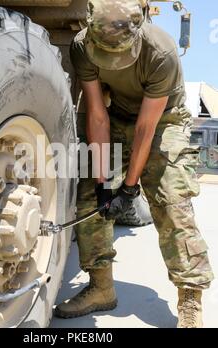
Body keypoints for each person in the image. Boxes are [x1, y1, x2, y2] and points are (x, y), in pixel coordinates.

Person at [54, 0, 214, 328]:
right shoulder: (83, 46)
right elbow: (97, 114)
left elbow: (146, 129)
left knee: (171, 198)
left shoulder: (161, 52)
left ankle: (189, 297)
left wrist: (129, 188)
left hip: (164, 120)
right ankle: (101, 287)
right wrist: (102, 186)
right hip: (116, 115)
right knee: (89, 199)